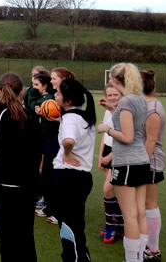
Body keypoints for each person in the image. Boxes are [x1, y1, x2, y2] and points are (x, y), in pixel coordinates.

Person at [0, 73, 42, 261]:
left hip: (6, 191)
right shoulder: (32, 115)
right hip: (27, 190)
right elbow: (38, 153)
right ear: (22, 91)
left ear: (0, 91)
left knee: (8, 243)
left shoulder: (3, 116)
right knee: (26, 240)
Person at [97, 63, 150, 262]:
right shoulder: (139, 99)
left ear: (117, 80)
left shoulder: (127, 101)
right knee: (139, 213)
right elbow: (131, 124)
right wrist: (112, 109)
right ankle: (140, 256)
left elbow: (127, 136)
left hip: (127, 162)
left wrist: (106, 129)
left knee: (129, 216)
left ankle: (132, 259)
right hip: (140, 161)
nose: (110, 82)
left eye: (111, 79)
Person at [53, 78, 96, 262]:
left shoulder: (70, 117)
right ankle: (78, 257)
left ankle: (74, 258)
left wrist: (68, 153)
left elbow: (69, 140)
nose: (55, 94)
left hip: (69, 177)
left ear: (68, 100)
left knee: (69, 226)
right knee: (73, 224)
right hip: (80, 177)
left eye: (58, 93)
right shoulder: (84, 114)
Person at [141, 70, 166, 262]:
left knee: (150, 203)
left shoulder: (153, 108)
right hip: (140, 161)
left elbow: (150, 141)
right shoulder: (141, 104)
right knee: (141, 204)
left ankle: (153, 249)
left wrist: (139, 164)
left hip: (149, 162)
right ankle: (144, 244)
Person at [31, 73, 60, 225]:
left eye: (54, 78)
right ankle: (48, 205)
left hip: (56, 140)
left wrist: (56, 116)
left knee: (54, 175)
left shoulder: (54, 98)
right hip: (47, 139)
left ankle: (57, 209)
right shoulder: (49, 98)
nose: (52, 80)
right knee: (47, 172)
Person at [97, 83, 125, 243]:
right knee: (113, 192)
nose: (112, 97)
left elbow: (125, 137)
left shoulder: (123, 112)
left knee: (108, 189)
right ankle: (119, 226)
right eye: (110, 95)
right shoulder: (108, 111)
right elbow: (105, 134)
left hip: (118, 153)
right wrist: (101, 155)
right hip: (108, 151)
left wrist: (111, 157)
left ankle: (111, 227)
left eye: (115, 94)